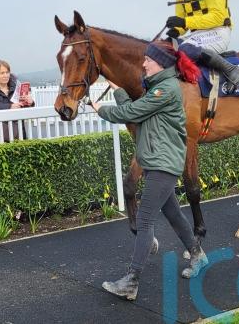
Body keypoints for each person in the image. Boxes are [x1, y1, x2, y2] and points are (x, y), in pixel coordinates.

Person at [90, 40, 209, 301]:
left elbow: (132, 112)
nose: (143, 63)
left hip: (163, 164)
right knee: (172, 212)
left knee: (144, 220)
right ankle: (197, 255)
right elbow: (139, 110)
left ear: (161, 64)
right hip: (157, 162)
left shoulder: (166, 89)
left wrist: (100, 109)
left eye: (148, 60)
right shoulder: (157, 87)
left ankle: (131, 281)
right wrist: (119, 90)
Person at [0, 60, 34, 142]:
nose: (5, 75)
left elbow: (21, 106)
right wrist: (10, 106)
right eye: (2, 73)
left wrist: (30, 102)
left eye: (7, 72)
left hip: (18, 131)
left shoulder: (17, 87)